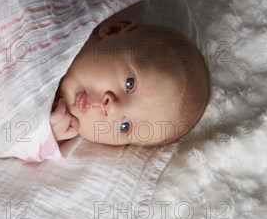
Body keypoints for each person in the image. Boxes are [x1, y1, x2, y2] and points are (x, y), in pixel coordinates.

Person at [50, 13, 211, 148]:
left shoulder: (47, 129)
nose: (112, 108)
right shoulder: (61, 16)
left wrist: (48, 136)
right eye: (130, 84)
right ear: (115, 29)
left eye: (124, 126)